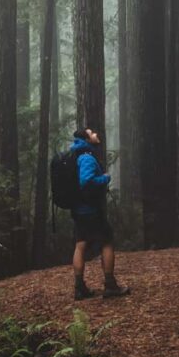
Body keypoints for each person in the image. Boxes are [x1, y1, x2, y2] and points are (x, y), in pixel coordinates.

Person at [69, 128, 130, 300]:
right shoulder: (87, 157)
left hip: (79, 209)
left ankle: (79, 288)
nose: (96, 134)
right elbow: (86, 181)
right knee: (107, 242)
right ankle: (110, 285)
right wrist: (105, 178)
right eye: (92, 133)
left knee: (80, 244)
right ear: (87, 139)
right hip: (91, 210)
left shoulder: (75, 155)